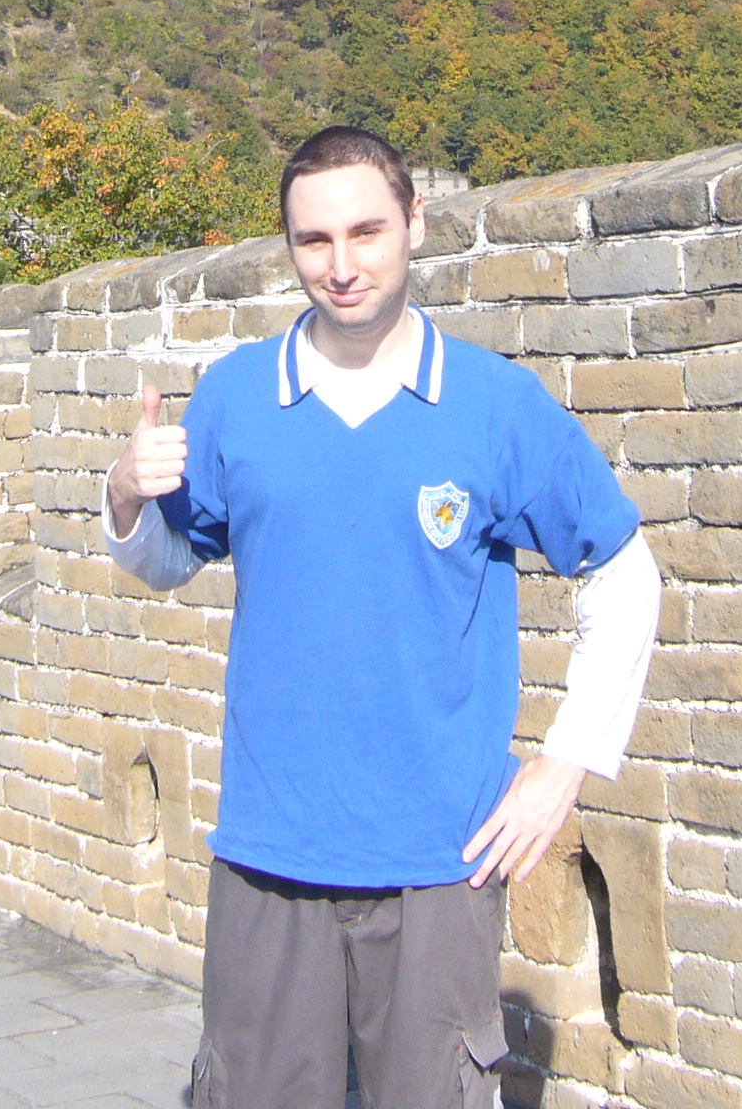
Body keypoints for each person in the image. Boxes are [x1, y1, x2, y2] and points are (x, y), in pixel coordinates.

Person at [105, 126, 660, 1109]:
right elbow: (169, 560)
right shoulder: (238, 396)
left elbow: (622, 572)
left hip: (438, 861)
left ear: (415, 224)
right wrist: (122, 496)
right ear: (289, 248)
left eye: (366, 232)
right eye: (314, 240)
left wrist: (566, 765)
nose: (342, 265)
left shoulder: (493, 405)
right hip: (270, 853)